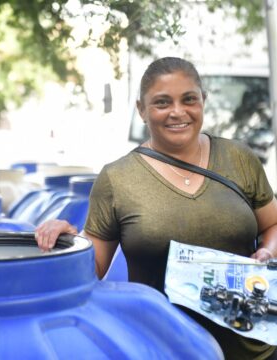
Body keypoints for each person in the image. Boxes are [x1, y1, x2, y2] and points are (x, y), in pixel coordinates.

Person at [35, 57, 277, 360]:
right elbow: (92, 268)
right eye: (162, 103)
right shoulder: (117, 178)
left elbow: (273, 225)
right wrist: (66, 241)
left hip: (254, 348)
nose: (178, 112)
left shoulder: (239, 157)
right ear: (142, 109)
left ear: (203, 100)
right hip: (164, 348)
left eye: (189, 99)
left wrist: (266, 253)